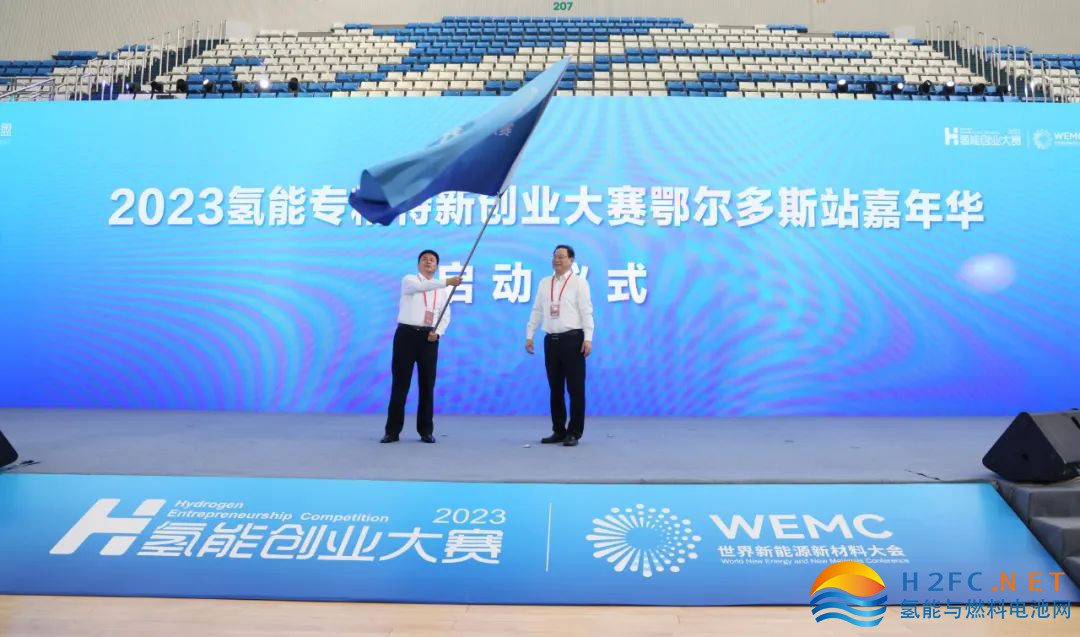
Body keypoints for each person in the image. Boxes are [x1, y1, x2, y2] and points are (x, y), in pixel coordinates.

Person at [381, 249, 462, 444]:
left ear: (437, 266)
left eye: (432, 260)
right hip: (406, 336)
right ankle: (392, 431)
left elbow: (445, 314)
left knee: (427, 385)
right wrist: (447, 281)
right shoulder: (409, 280)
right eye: (424, 259)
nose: (428, 262)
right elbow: (421, 287)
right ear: (418, 264)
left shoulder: (442, 290)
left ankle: (426, 431)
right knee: (400, 384)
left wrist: (438, 332)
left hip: (429, 339)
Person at [525, 244, 594, 447]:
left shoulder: (579, 283)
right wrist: (530, 335)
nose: (557, 260)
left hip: (573, 340)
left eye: (562, 257)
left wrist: (588, 338)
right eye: (555, 256)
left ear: (571, 260)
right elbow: (537, 310)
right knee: (555, 388)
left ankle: (574, 432)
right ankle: (558, 430)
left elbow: (586, 311)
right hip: (551, 341)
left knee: (575, 389)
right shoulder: (545, 283)